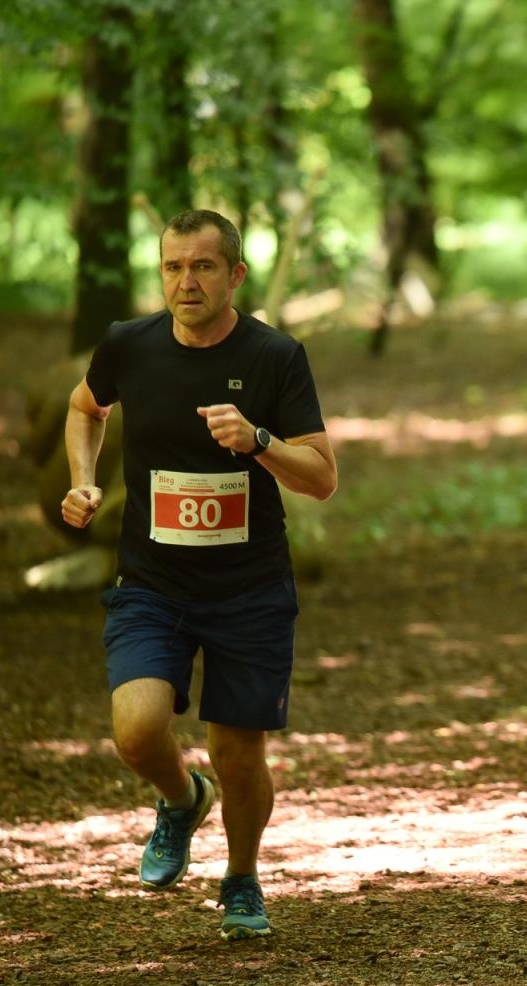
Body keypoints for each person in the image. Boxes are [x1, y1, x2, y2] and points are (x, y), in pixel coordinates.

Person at [61, 208, 338, 940]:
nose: (186, 281)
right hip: (152, 584)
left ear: (235, 274)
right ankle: (183, 799)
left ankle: (242, 878)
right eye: (173, 267)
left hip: (249, 588)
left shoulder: (277, 357)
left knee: (239, 751)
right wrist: (84, 480)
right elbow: (85, 408)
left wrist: (259, 440)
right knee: (137, 731)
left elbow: (322, 478)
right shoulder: (129, 345)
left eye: (204, 266)